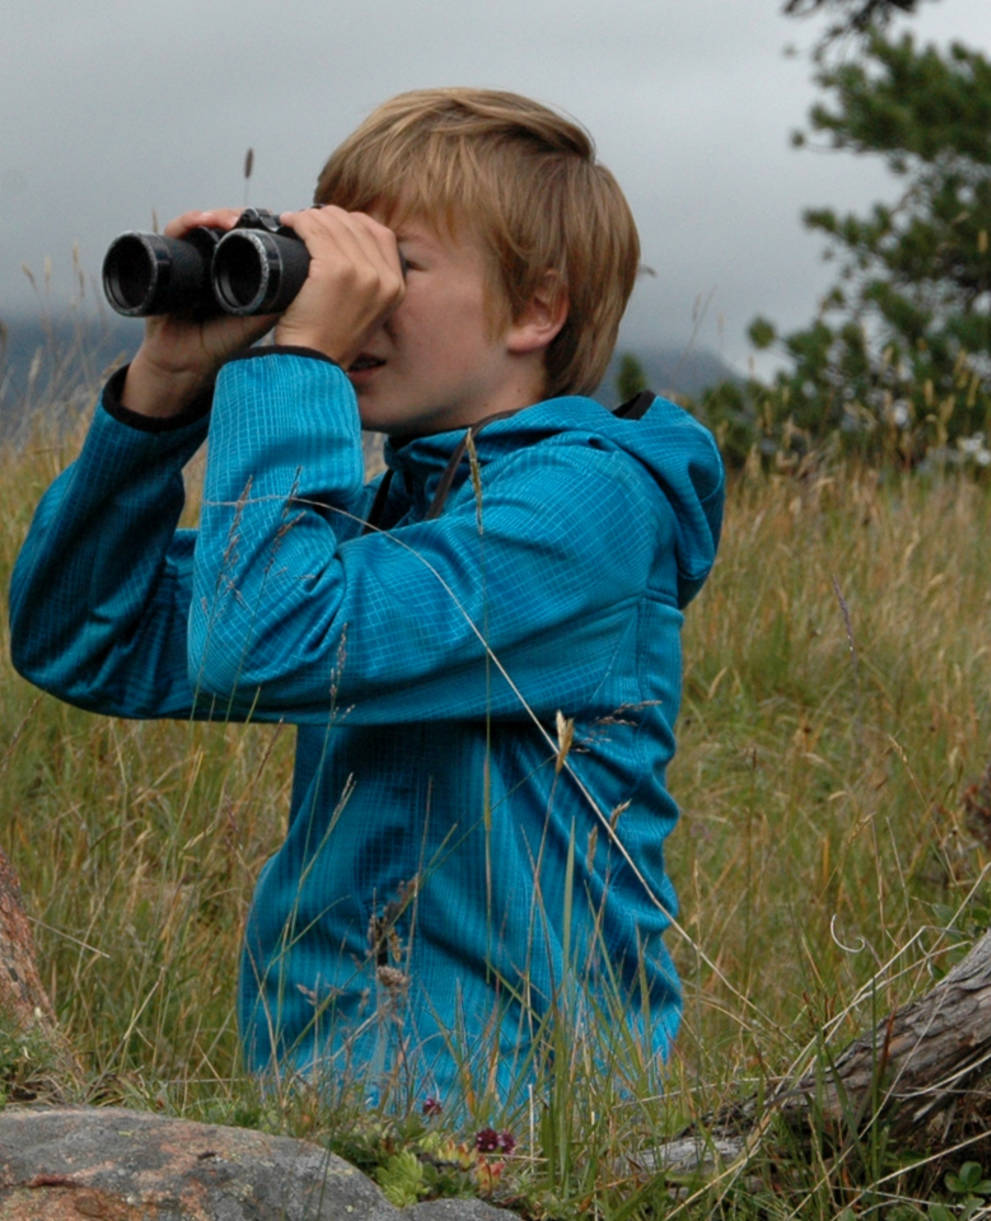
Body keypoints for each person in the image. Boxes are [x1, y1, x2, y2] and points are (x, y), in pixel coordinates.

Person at [9, 88, 724, 1114]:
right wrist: (163, 387)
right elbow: (82, 641)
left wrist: (293, 364)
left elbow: (265, 647)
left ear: (535, 309)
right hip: (332, 1100)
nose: (358, 297)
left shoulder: (591, 510)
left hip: (516, 1121)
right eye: (341, 260)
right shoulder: (392, 518)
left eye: (401, 265)